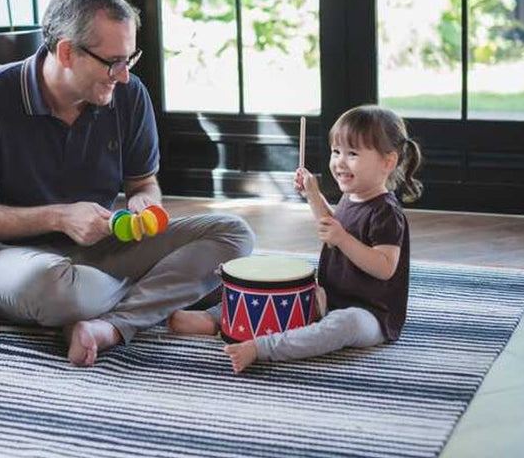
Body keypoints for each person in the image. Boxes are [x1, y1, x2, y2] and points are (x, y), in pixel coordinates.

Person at [0, 0, 254, 367]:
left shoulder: (128, 94)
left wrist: (146, 203)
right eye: (113, 62)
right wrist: (59, 216)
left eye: (130, 59)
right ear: (66, 52)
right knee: (63, 291)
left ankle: (109, 325)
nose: (123, 75)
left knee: (233, 234)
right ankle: (164, 294)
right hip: (11, 260)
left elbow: (143, 183)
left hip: (98, 252)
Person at [170, 105, 423, 374]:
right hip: (329, 297)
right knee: (279, 291)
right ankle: (215, 319)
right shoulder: (352, 197)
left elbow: (384, 267)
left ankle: (262, 348)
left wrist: (343, 239)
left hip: (370, 314)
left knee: (342, 325)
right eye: (336, 152)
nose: (339, 161)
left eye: (352, 154)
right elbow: (331, 224)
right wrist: (312, 194)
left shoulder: (387, 212)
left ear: (388, 162)